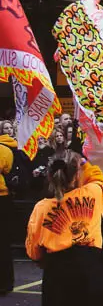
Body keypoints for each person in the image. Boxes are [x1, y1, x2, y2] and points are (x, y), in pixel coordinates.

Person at [25, 149, 103, 306]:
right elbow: (100, 179)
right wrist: (85, 164)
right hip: (93, 268)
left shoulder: (42, 208)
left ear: (51, 176)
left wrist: (43, 261)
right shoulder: (93, 192)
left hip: (58, 272)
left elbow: (34, 251)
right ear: (77, 174)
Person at [0, 124, 17, 295]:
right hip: (4, 199)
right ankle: (6, 282)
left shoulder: (4, 150)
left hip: (3, 198)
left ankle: (5, 282)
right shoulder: (7, 150)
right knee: (3, 243)